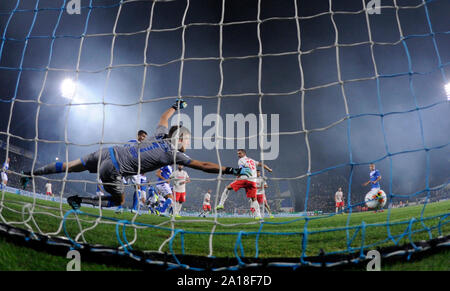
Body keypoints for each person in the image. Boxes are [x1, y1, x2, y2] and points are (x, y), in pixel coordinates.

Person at [20, 99, 251, 211]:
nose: (188, 144)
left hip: (107, 151)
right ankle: (78, 200)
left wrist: (175, 105)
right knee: (118, 200)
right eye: (187, 140)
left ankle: (30, 173)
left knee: (69, 165)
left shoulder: (160, 134)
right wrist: (230, 170)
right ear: (180, 139)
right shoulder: (174, 154)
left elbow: (163, 119)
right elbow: (203, 165)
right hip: (113, 168)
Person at [216, 149, 272, 220]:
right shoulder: (252, 161)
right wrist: (269, 169)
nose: (238, 155)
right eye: (237, 154)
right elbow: (261, 164)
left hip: (244, 179)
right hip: (252, 181)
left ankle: (221, 204)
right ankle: (259, 216)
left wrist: (237, 177)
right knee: (254, 199)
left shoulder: (241, 160)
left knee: (227, 187)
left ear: (243, 154)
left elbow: (241, 170)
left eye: (239, 153)